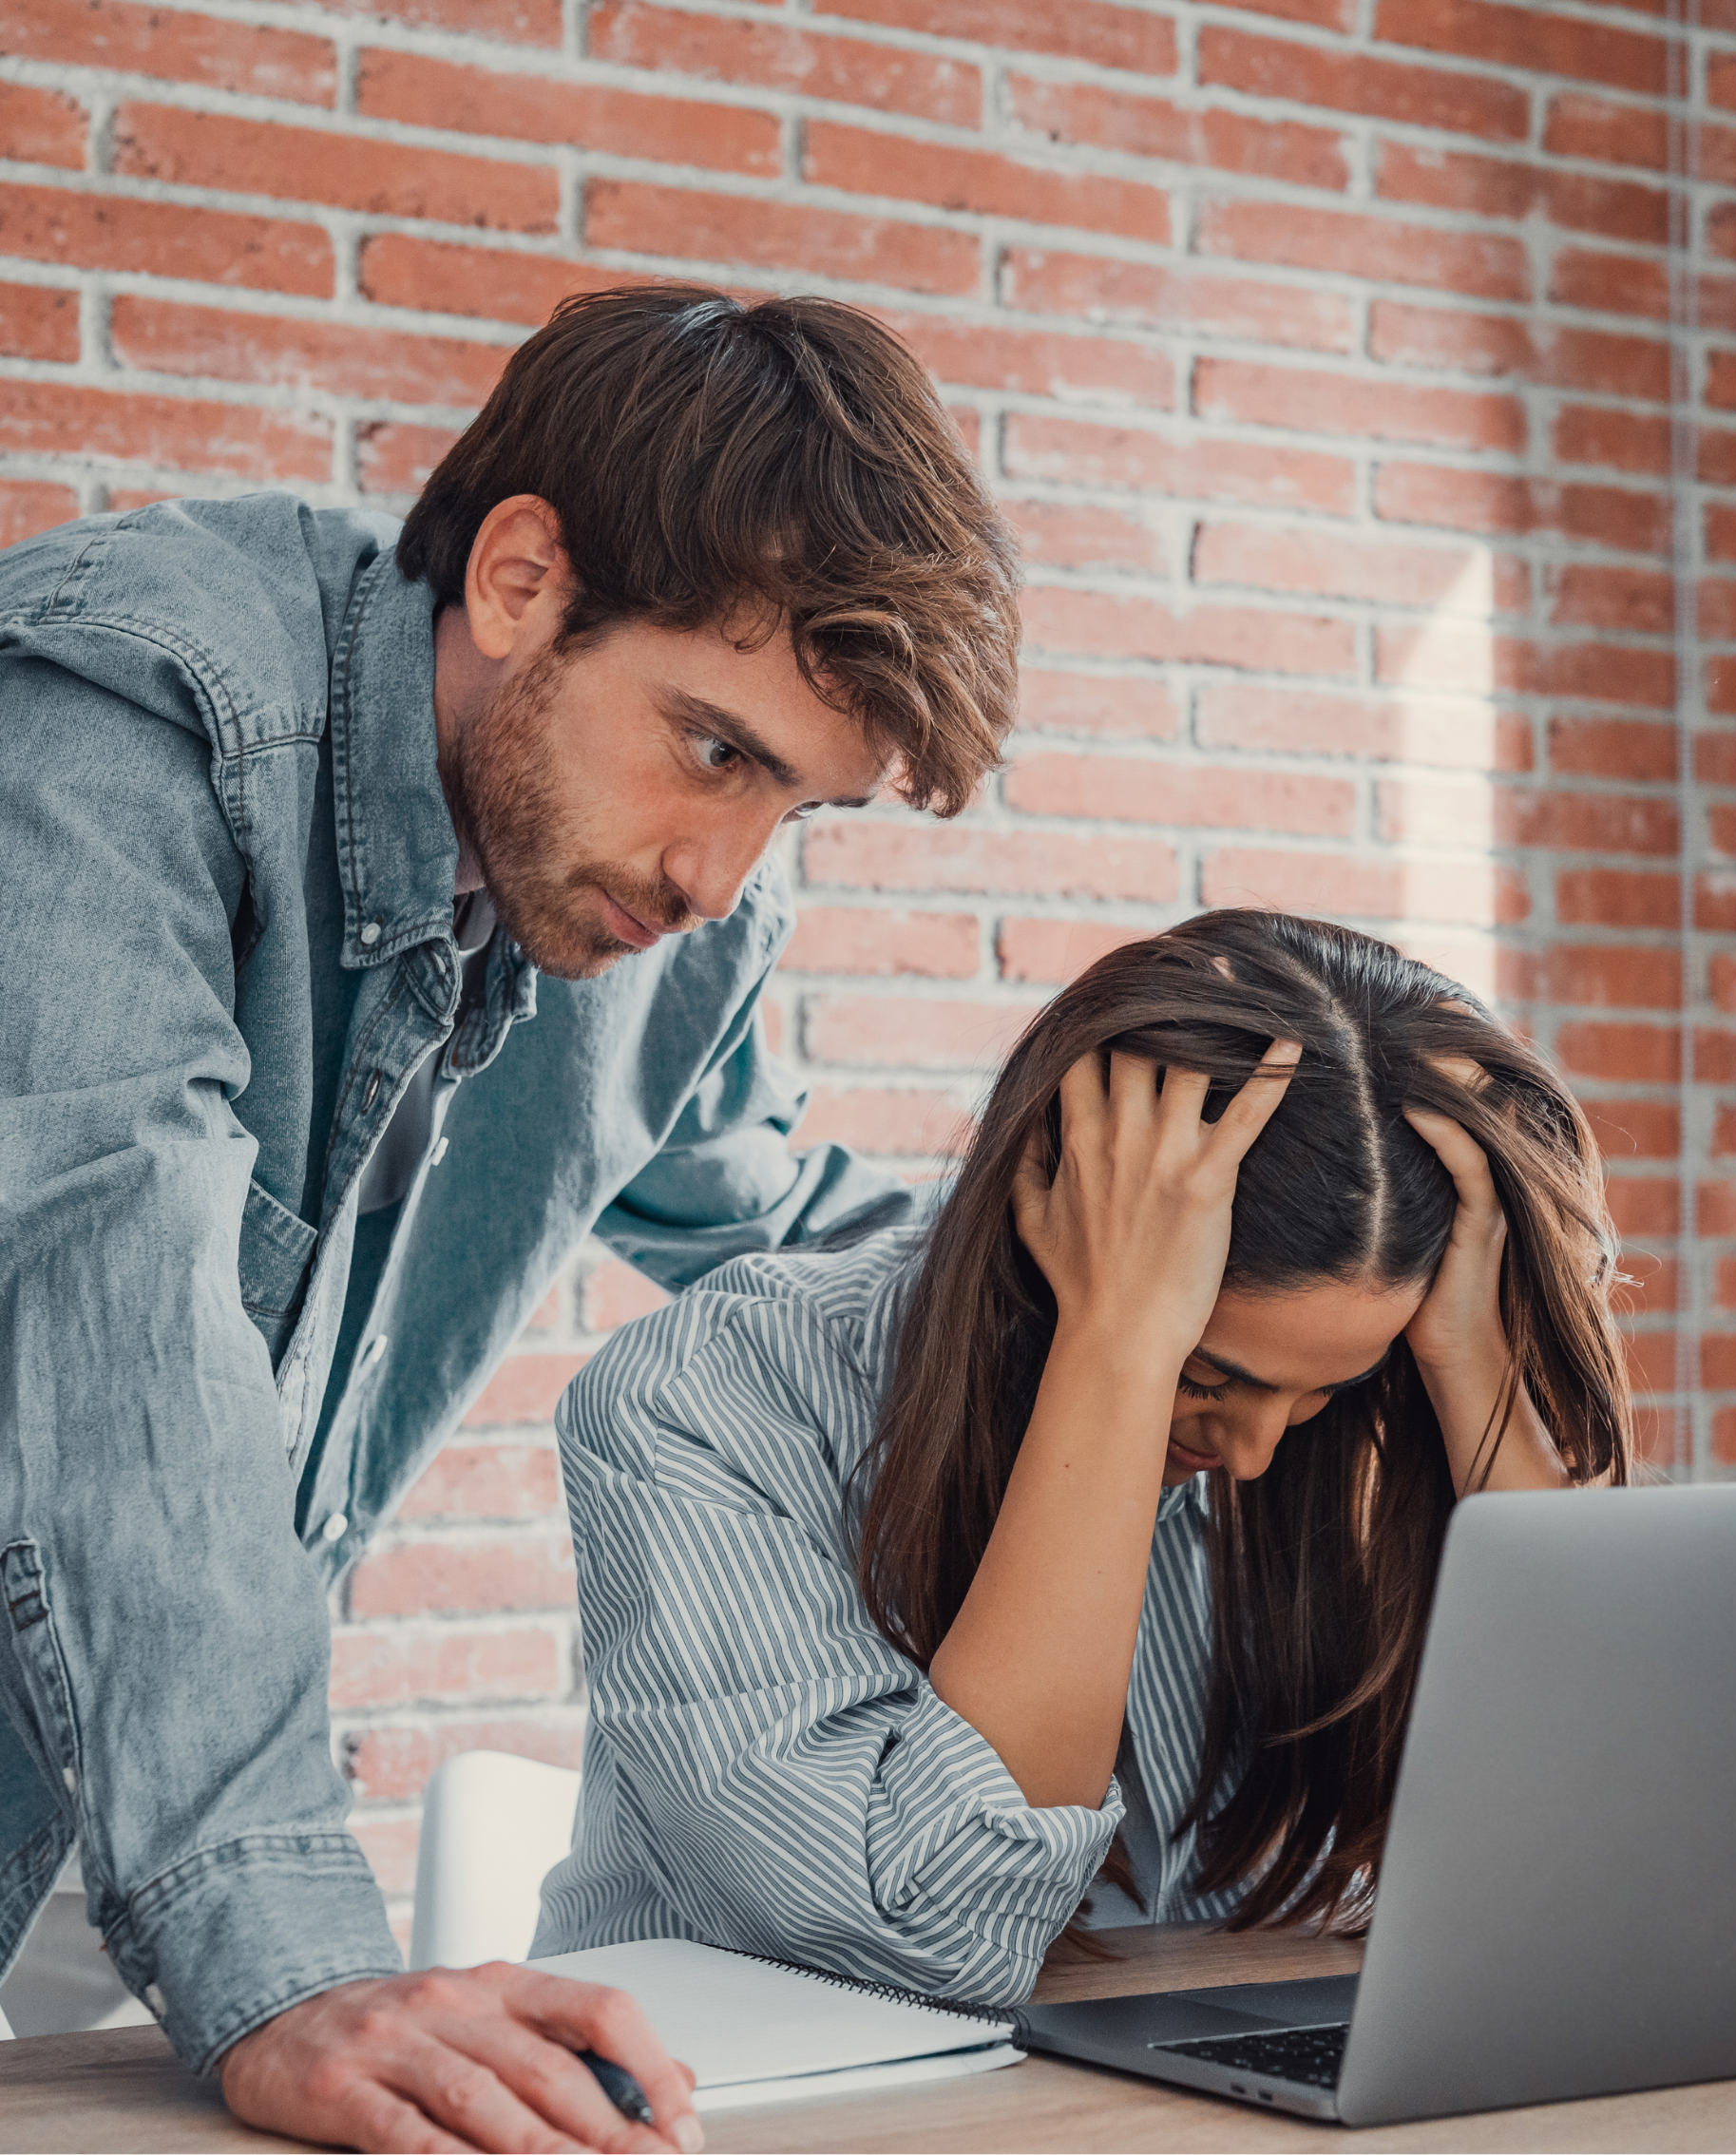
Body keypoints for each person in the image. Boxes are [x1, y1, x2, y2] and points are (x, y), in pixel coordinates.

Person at [0, 282, 1019, 2152]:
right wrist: (288, 1959)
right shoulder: (120, 705)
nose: (718, 876)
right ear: (521, 579)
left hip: (120, 1782)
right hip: (163, 1767)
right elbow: (113, 1304)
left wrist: (1133, 1276)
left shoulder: (650, 910)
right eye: (717, 750)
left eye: (797, 806)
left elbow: (782, 1224)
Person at [534, 911, 1635, 1998]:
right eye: (1210, 1377)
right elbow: (935, 1938)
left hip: (1151, 2083)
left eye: (1322, 1391)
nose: (1256, 1452)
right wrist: (1119, 1345)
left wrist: (1478, 1376)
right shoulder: (706, 1402)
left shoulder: (1369, 1426)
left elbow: (1610, 1881)